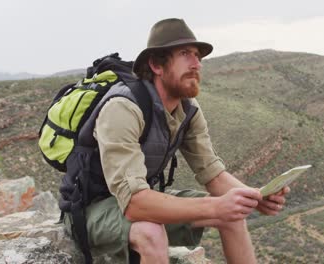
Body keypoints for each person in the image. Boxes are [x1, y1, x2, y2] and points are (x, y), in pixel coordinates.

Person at [73, 18, 290, 263]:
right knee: (151, 232)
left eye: (198, 56)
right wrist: (216, 207)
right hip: (90, 211)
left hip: (140, 199)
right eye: (185, 54)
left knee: (233, 214)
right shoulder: (123, 109)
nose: (196, 64)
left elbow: (213, 175)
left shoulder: (188, 110)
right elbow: (135, 204)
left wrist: (255, 197)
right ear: (156, 64)